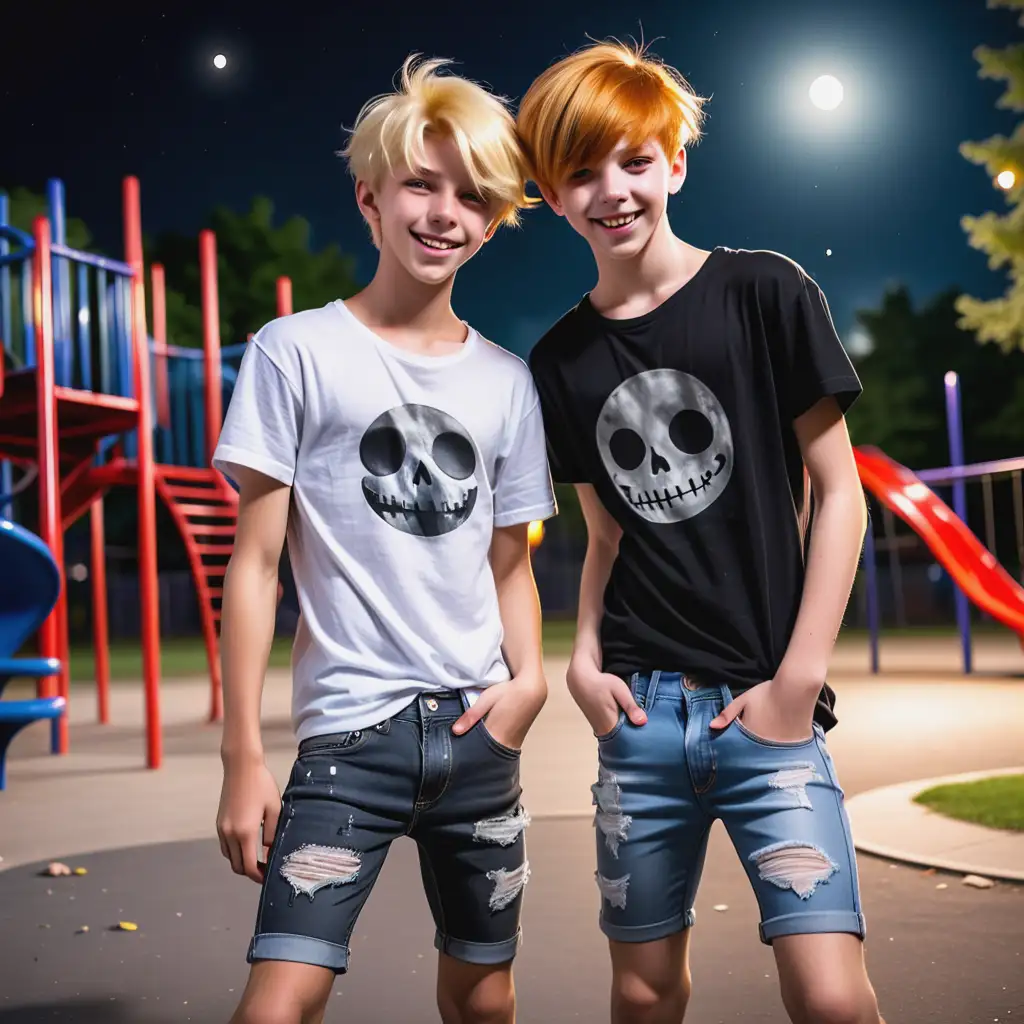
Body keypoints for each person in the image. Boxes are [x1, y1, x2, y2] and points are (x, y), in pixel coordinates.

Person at [517, 40, 885, 1024]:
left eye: (633, 160)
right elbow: (604, 536)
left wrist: (797, 681)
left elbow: (838, 492)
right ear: (553, 196)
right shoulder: (557, 361)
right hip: (638, 719)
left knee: (832, 998)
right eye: (581, 172)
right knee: (641, 991)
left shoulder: (764, 291)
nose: (612, 189)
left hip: (767, 710)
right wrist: (583, 664)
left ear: (674, 162)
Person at [212, 54, 555, 1024]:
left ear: (491, 220)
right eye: (421, 183)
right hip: (345, 744)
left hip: (479, 739)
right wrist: (243, 755)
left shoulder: (506, 382)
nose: (445, 211)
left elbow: (510, 562)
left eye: (472, 194)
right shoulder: (295, 352)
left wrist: (522, 686)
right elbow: (256, 561)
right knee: (278, 1002)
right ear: (369, 199)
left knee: (485, 999)